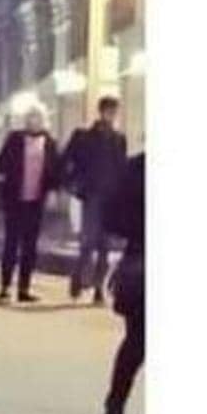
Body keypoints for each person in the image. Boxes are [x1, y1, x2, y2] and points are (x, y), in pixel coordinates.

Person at [0, 105, 62, 303]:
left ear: (44, 120)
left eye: (38, 117)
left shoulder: (50, 143)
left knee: (30, 246)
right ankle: (5, 287)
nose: (34, 120)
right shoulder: (15, 138)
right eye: (31, 117)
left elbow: (55, 171)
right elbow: (1, 164)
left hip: (36, 201)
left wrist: (53, 192)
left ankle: (24, 289)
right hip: (14, 199)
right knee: (11, 244)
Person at [61, 96, 128, 304]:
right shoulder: (83, 136)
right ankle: (79, 277)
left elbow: (122, 168)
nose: (111, 115)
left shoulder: (119, 139)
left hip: (111, 197)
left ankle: (98, 288)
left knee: (105, 245)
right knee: (88, 242)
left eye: (114, 112)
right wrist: (71, 183)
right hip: (91, 195)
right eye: (109, 111)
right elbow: (66, 160)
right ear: (101, 112)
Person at [102, 152, 145, 414]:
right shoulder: (139, 168)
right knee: (138, 341)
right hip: (144, 259)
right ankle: (116, 401)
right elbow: (113, 215)